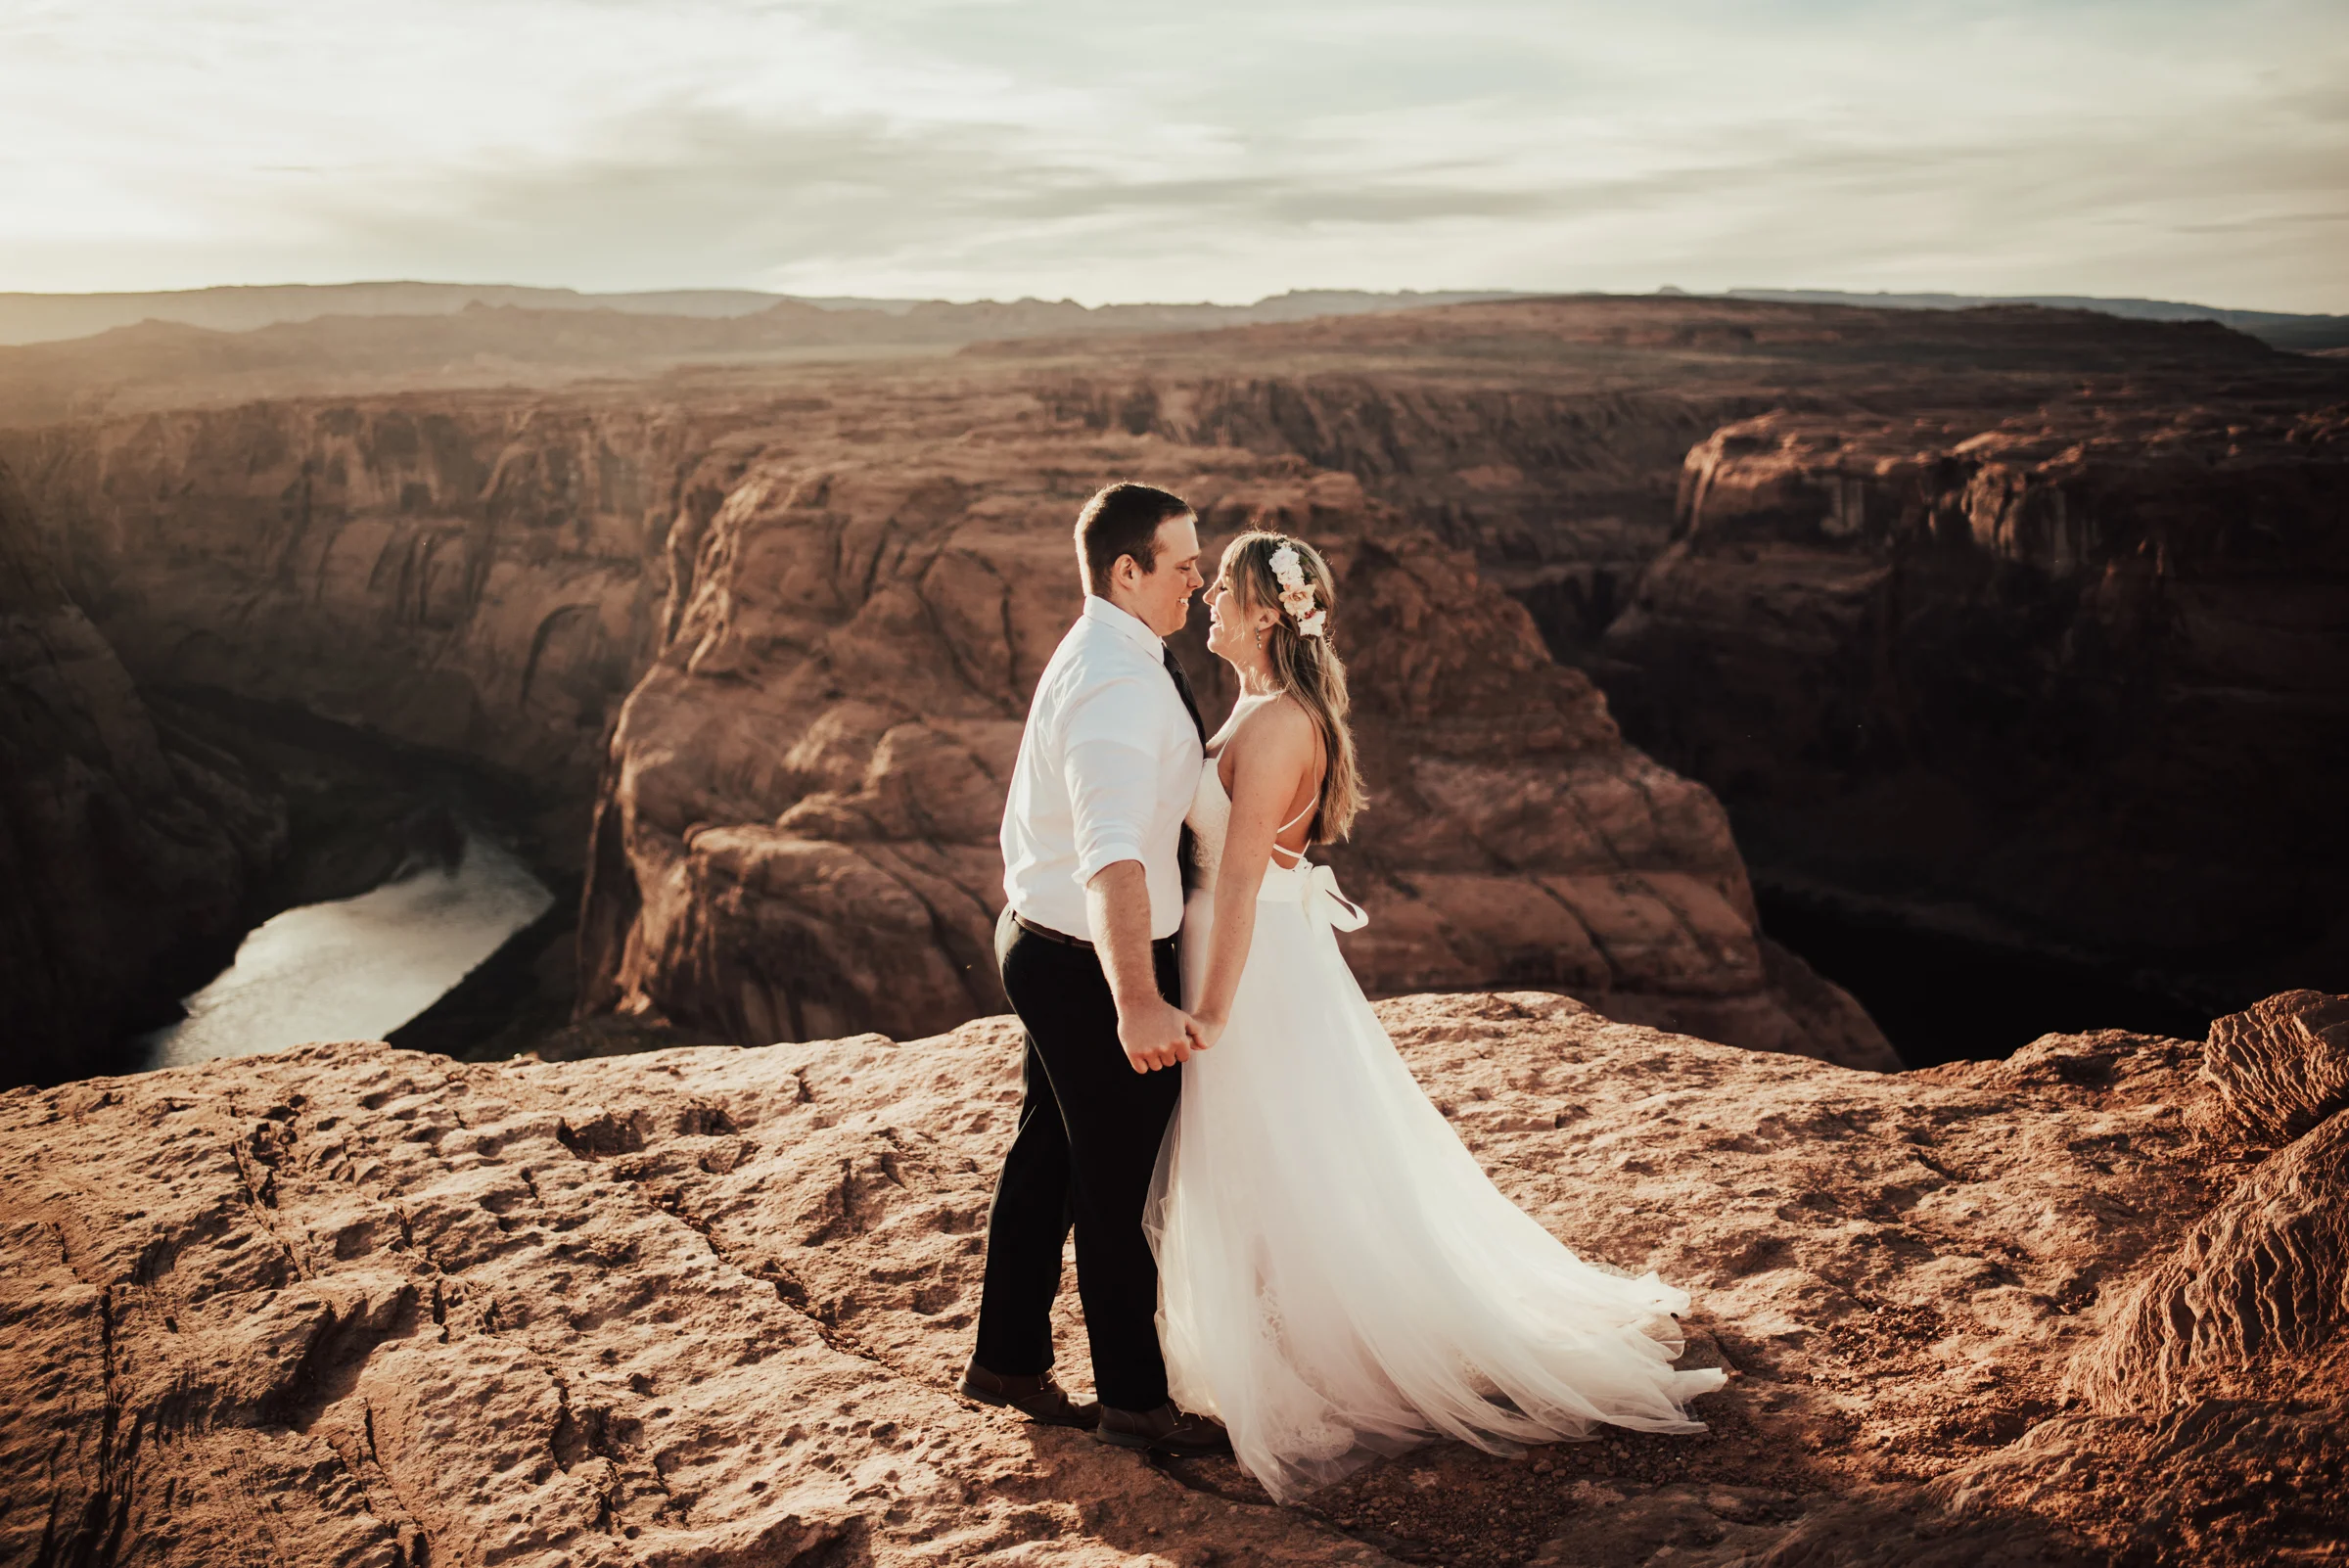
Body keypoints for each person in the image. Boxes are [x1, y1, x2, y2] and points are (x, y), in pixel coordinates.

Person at [1145, 530, 1728, 1500]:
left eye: (1222, 592)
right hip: (1243, 955)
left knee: (1275, 1157)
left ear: (1261, 611)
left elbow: (1243, 884)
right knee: (1262, 1159)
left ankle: (1315, 1356)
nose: (1205, 600)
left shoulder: (1281, 723)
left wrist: (1207, 1010)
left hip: (1252, 971)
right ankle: (1274, 1336)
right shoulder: (1256, 707)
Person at [962, 482, 1232, 1456]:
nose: (1201, 581)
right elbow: (1115, 858)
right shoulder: (1117, 683)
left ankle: (1005, 1363)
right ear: (1129, 570)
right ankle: (1134, 1404)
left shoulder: (1120, 651)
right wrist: (1141, 1003)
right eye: (1185, 562)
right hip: (1085, 965)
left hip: (1047, 944)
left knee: (1049, 1152)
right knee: (1117, 1189)